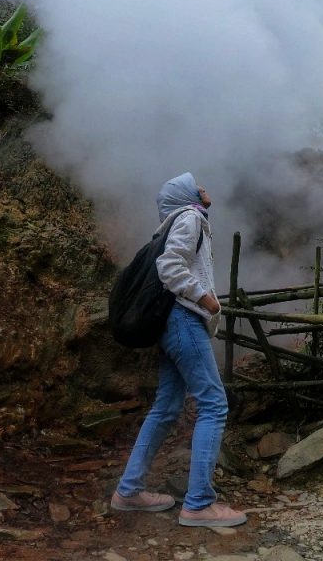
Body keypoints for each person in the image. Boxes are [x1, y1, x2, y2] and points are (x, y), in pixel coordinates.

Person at [111, 172, 247, 528]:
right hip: (184, 320)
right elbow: (170, 267)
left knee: (166, 406)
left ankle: (129, 491)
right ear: (187, 195)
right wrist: (207, 300)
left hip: (168, 324)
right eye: (198, 185)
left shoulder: (172, 225)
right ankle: (200, 503)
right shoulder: (191, 217)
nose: (205, 187)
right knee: (214, 405)